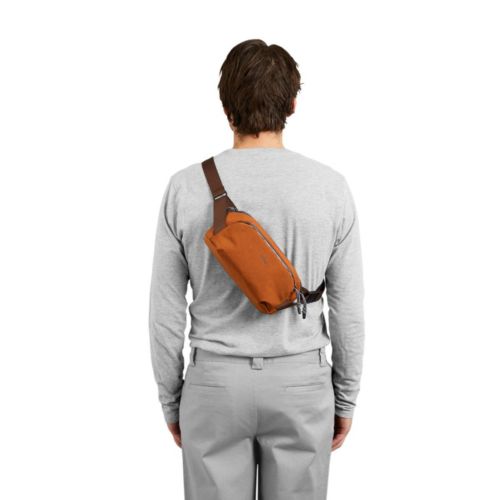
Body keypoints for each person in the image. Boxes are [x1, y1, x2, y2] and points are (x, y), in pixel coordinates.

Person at [149, 39, 365, 500]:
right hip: (301, 384)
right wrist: (345, 397)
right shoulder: (331, 188)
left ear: (225, 106)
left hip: (214, 386)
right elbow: (348, 309)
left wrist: (172, 400)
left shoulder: (184, 188)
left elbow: (164, 313)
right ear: (292, 104)